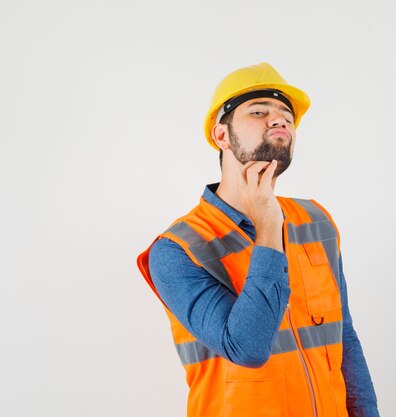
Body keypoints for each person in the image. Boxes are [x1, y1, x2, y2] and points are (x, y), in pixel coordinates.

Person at [136, 62, 380, 417]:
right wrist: (267, 226)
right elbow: (247, 347)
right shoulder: (177, 250)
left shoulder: (316, 220)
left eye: (286, 115)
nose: (279, 120)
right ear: (222, 136)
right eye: (258, 111)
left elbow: (345, 340)